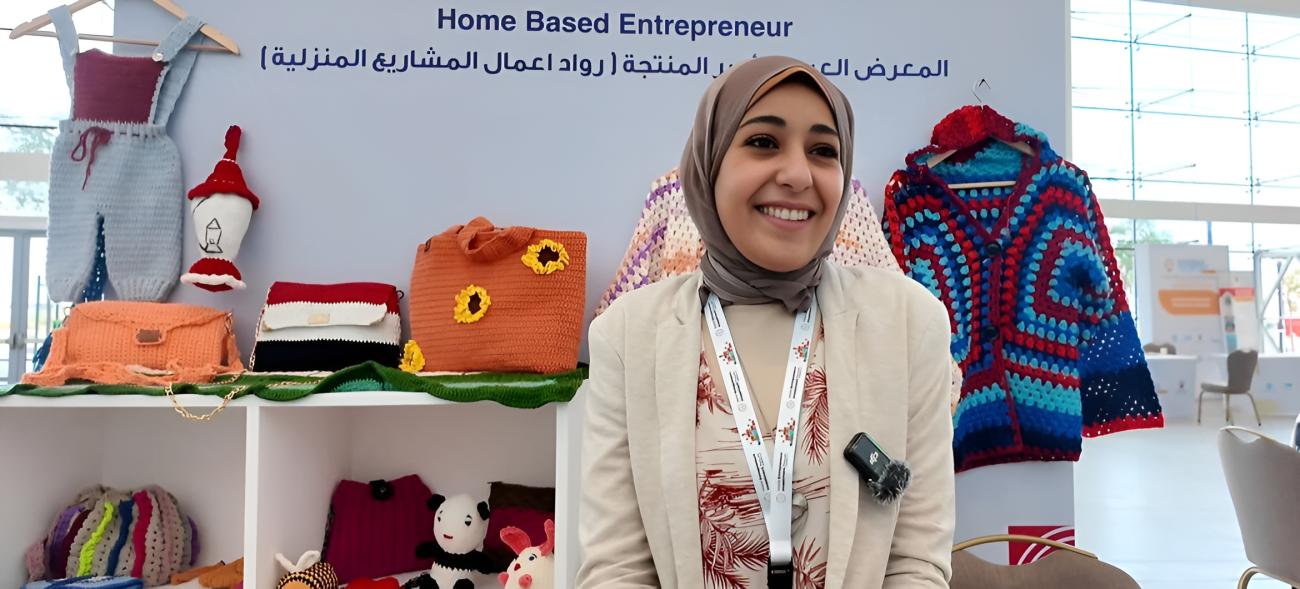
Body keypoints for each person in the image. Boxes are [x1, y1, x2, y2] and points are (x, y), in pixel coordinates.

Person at [577, 56, 955, 589]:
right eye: (763, 142)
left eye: (824, 151)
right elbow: (617, 569)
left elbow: (917, 563)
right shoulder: (628, 336)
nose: (798, 174)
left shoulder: (908, 323)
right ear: (709, 164)